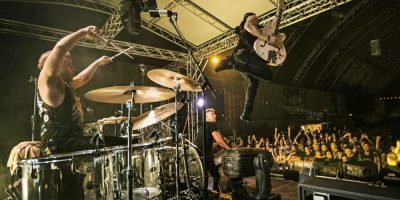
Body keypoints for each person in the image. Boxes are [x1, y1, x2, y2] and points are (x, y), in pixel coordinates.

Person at [36, 25, 126, 199]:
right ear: (54, 65)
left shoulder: (65, 84)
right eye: (69, 64)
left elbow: (83, 79)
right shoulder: (48, 83)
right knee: (118, 144)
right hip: (59, 147)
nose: (73, 68)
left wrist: (98, 63)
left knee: (119, 142)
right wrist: (84, 32)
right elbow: (61, 48)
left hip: (71, 143)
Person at [214, 12, 279, 122]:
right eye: (255, 19)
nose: (257, 20)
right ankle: (232, 64)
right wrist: (267, 37)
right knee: (268, 76)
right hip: (242, 57)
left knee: (254, 83)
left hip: (244, 59)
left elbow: (263, 52)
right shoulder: (250, 22)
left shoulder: (252, 33)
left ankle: (246, 114)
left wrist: (276, 58)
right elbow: (249, 25)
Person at [196, 108, 230, 192]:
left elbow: (207, 144)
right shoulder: (211, 125)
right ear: (207, 117)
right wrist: (229, 149)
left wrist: (218, 144)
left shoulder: (202, 126)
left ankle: (206, 194)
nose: (215, 115)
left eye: (215, 114)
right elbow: (219, 140)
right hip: (206, 155)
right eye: (212, 114)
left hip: (199, 154)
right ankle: (216, 194)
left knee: (205, 177)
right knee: (216, 176)